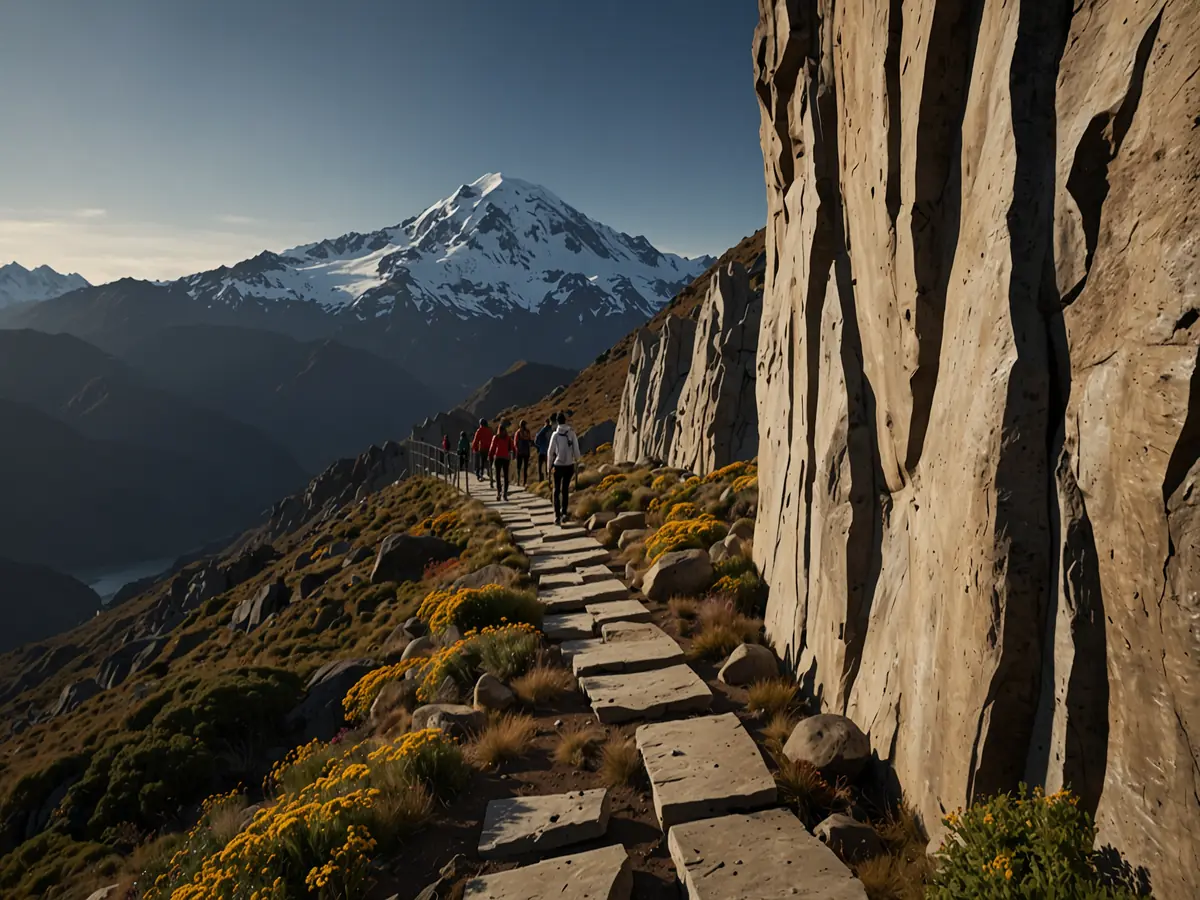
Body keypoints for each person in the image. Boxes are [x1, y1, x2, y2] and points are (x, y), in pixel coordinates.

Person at [546, 412, 581, 524]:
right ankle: (564, 512)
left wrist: (549, 467)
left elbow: (550, 452)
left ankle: (557, 516)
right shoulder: (571, 433)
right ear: (565, 421)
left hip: (558, 465)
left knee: (556, 490)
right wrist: (577, 460)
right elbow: (576, 450)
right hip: (569, 465)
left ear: (557, 422)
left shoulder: (555, 435)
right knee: (565, 489)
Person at [489, 423, 515, 501]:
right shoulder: (508, 438)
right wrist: (514, 455)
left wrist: (490, 456)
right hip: (505, 458)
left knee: (498, 476)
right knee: (505, 477)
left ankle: (499, 492)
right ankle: (504, 494)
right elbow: (513, 447)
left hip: (498, 458)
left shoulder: (496, 437)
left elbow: (492, 448)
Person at [472, 418, 494, 483]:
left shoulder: (479, 430)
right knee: (488, 461)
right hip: (489, 448)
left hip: (482, 448)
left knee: (481, 461)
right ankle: (489, 473)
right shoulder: (489, 430)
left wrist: (474, 448)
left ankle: (481, 475)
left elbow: (476, 440)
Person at [534, 416, 554, 481]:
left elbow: (536, 440)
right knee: (548, 467)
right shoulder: (551, 431)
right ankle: (548, 480)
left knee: (540, 467)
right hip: (549, 451)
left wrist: (539, 446)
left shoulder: (542, 430)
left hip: (542, 451)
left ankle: (541, 480)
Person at [514, 419, 533, 486]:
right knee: (525, 468)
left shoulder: (518, 432)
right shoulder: (528, 432)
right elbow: (530, 441)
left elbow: (515, 443)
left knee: (518, 467)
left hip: (519, 452)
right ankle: (524, 482)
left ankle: (518, 481)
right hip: (526, 452)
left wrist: (516, 450)